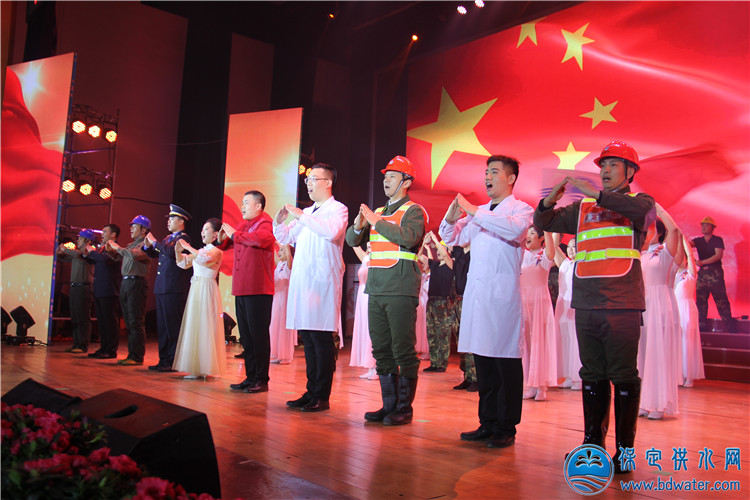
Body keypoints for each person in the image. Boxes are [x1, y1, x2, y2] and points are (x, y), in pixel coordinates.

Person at [534, 140, 655, 473]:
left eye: (613, 164)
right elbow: (546, 221)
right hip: (587, 302)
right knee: (592, 373)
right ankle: (593, 446)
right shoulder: (582, 208)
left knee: (624, 375)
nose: (605, 170)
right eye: (602, 165)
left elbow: (644, 215)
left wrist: (599, 196)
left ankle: (625, 453)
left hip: (622, 302)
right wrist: (548, 200)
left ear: (630, 172)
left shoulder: (641, 202)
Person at [440, 154, 533, 448]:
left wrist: (473, 212)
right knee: (484, 363)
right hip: (479, 297)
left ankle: (506, 426)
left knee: (505, 364)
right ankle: (487, 422)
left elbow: (513, 230)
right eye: (486, 172)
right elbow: (452, 238)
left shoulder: (521, 210)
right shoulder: (479, 212)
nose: (487, 177)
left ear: (511, 178)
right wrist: (451, 217)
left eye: (494, 172)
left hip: (502, 297)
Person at [346, 155, 426, 426]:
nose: (386, 181)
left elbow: (409, 238)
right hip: (377, 288)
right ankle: (388, 405)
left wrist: (376, 221)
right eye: (385, 176)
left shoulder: (414, 211)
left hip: (401, 288)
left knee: (403, 348)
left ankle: (404, 408)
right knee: (381, 349)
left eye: (392, 176)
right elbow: (351, 239)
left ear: (407, 182)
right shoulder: (378, 211)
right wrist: (360, 223)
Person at [275, 164, 348, 412]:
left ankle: (322, 395)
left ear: (328, 182)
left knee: (321, 339)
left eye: (314, 179)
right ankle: (310, 391)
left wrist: (302, 216)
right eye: (307, 180)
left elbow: (331, 232)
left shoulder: (338, 209)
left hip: (323, 283)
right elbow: (286, 238)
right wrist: (279, 223)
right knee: (307, 337)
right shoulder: (307, 212)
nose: (309, 183)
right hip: (304, 282)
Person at [218, 190, 276, 393]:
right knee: (246, 336)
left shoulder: (266, 224)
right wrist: (222, 237)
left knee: (258, 335)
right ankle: (251, 377)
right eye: (241, 203)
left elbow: (259, 240)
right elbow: (227, 244)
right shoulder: (244, 226)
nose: (242, 207)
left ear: (258, 206)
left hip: (258, 289)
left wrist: (234, 235)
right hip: (241, 288)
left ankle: (261, 379)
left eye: (246, 203)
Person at [638, 206, 682, 420]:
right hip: (642, 305)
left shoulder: (664, 252)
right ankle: (644, 401)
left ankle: (659, 403)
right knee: (642, 355)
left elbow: (676, 231)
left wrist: (659, 211)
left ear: (659, 231)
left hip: (660, 305)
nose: (646, 232)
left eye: (650, 227)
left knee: (658, 354)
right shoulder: (640, 254)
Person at [172, 218, 226, 379]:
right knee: (194, 324)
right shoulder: (200, 251)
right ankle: (195, 367)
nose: (202, 232)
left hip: (207, 289)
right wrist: (178, 251)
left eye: (206, 229)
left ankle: (205, 367)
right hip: (196, 288)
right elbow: (183, 263)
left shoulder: (216, 251)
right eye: (202, 229)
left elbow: (205, 260)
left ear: (215, 234)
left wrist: (188, 247)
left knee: (205, 325)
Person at [143, 204, 193, 372]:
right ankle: (163, 359)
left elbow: (171, 253)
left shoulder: (184, 238)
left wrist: (155, 243)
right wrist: (148, 246)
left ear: (181, 222)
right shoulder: (167, 239)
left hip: (173, 287)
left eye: (172, 219)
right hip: (162, 286)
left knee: (172, 326)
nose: (169, 221)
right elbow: (157, 253)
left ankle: (172, 361)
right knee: (163, 326)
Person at [107, 216, 152, 366]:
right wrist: (111, 250)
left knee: (135, 321)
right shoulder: (131, 245)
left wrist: (118, 248)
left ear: (143, 230)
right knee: (128, 321)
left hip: (137, 283)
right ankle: (131, 353)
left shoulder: (146, 244)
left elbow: (134, 255)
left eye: (134, 226)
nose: (131, 229)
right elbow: (118, 257)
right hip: (126, 282)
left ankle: (137, 356)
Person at [520, 226, 558, 401]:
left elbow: (551, 251)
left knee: (539, 343)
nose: (528, 236)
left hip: (539, 303)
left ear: (541, 238)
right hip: (524, 302)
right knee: (527, 344)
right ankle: (531, 384)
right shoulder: (522, 255)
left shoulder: (543, 256)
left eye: (533, 233)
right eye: (527, 233)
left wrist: (548, 229)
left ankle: (542, 386)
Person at [83, 224, 122, 359]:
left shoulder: (114, 248)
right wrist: (86, 253)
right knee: (102, 321)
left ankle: (111, 349)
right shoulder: (103, 248)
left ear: (113, 234)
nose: (102, 234)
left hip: (109, 289)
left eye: (105, 231)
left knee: (109, 321)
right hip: (100, 289)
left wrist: (92, 252)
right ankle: (104, 347)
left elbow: (105, 260)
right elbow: (94, 259)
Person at [690, 216, 734, 332]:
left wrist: (702, 262)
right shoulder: (698, 241)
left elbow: (718, 255)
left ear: (713, 227)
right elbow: (687, 245)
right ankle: (701, 326)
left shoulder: (717, 240)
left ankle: (730, 326)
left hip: (715, 273)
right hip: (703, 274)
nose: (703, 227)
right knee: (701, 300)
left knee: (721, 299)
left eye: (706, 225)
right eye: (702, 225)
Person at [56, 228, 95, 353]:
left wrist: (65, 249)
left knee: (83, 317)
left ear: (88, 240)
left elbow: (78, 255)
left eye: (80, 238)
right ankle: (77, 343)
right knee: (75, 316)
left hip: (84, 287)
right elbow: (64, 258)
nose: (77, 240)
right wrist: (59, 252)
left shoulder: (89, 251)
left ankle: (82, 345)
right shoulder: (77, 252)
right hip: (75, 287)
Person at [421, 232, 456, 374]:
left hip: (444, 302)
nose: (439, 251)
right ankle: (434, 362)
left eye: (442, 248)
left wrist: (435, 240)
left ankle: (441, 363)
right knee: (432, 333)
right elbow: (419, 257)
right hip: (432, 302)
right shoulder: (435, 265)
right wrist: (424, 244)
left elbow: (446, 255)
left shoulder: (450, 265)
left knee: (443, 334)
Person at [551, 234, 581, 391]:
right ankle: (569, 375)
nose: (570, 249)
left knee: (577, 341)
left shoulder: (582, 265)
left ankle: (579, 377)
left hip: (576, 307)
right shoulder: (565, 264)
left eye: (574, 246)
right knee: (566, 340)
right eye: (568, 246)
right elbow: (553, 247)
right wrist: (554, 232)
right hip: (563, 307)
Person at [675, 236, 705, 387]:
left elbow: (691, 256)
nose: (680, 260)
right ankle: (678, 375)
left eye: (683, 257)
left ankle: (689, 376)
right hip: (675, 309)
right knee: (677, 343)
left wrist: (684, 242)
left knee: (687, 341)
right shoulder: (673, 275)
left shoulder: (690, 274)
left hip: (687, 309)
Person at [450, 244, 477, 392]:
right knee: (461, 340)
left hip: (472, 299)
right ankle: (467, 376)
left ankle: (476, 377)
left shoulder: (477, 250)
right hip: (459, 299)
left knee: (473, 339)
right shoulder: (458, 251)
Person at [350, 243, 378, 379]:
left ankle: (377, 366)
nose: (370, 247)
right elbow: (354, 245)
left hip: (371, 295)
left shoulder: (378, 260)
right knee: (364, 330)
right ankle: (370, 366)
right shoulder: (366, 258)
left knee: (371, 330)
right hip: (362, 297)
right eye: (368, 246)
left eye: (372, 245)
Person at [270, 244, 297, 366]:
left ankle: (285, 355)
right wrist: (273, 243)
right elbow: (274, 257)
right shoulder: (280, 265)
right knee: (275, 325)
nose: (279, 252)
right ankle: (276, 353)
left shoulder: (290, 265)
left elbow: (289, 258)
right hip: (277, 297)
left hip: (286, 298)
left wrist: (285, 245)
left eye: (282, 250)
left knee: (284, 327)